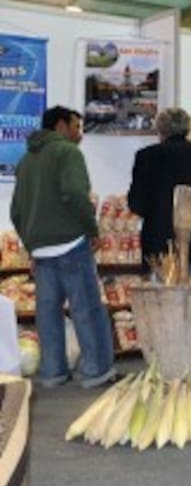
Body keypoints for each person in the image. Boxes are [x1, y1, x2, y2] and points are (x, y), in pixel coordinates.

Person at [10, 106, 117, 388]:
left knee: (47, 314)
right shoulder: (67, 153)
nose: (79, 134)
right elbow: (74, 193)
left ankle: (53, 372)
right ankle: (97, 371)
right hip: (70, 243)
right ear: (60, 126)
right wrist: (90, 229)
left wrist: (32, 242)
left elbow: (16, 212)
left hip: (41, 250)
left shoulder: (25, 161)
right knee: (87, 309)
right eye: (76, 126)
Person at [127, 108, 191, 278]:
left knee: (163, 301)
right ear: (188, 128)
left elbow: (137, 202)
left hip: (160, 246)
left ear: (160, 129)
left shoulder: (146, 156)